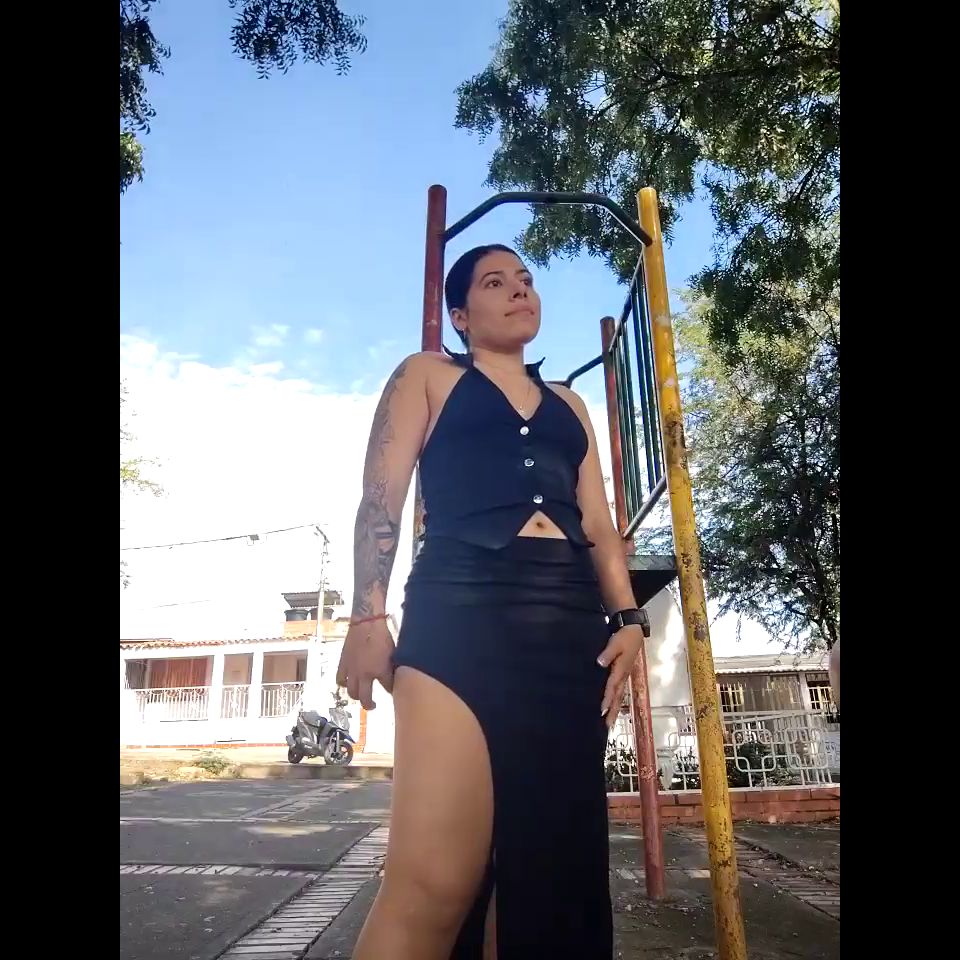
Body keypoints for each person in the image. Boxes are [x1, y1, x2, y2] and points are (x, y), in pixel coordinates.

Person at [337, 245, 648, 960]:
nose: (519, 291)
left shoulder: (570, 404)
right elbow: (380, 500)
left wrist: (630, 620)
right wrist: (367, 615)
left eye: (526, 280)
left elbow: (599, 527)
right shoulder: (427, 375)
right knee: (432, 881)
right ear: (460, 315)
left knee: (548, 878)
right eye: (495, 282)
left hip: (567, 629)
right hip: (458, 613)